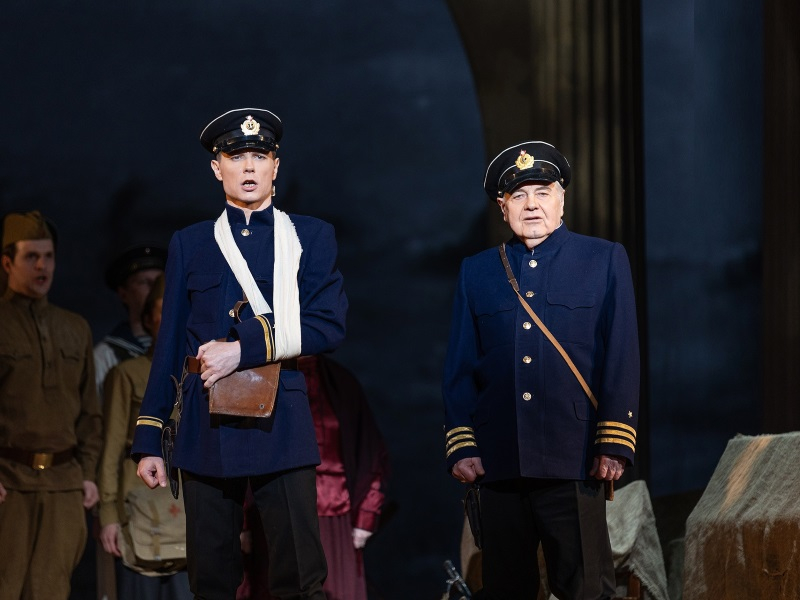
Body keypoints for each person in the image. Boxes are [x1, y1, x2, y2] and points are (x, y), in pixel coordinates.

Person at [132, 108, 348, 600]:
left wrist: (241, 348)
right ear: (217, 168)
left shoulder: (311, 236)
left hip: (281, 419)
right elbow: (170, 344)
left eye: (259, 156)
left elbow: (328, 324)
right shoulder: (190, 243)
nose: (248, 167)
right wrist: (149, 436)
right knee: (210, 580)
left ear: (276, 166)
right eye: (236, 157)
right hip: (205, 422)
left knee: (300, 578)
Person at [442, 141, 640, 600]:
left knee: (586, 589)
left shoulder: (603, 259)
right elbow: (460, 365)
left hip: (575, 457)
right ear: (502, 207)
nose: (532, 205)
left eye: (543, 192)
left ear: (562, 199)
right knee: (505, 590)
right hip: (499, 461)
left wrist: (614, 441)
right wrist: (462, 443)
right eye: (519, 195)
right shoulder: (477, 272)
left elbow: (621, 355)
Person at [0, 210, 103, 599]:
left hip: (64, 485)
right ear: (7, 263)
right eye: (31, 257)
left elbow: (90, 412)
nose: (42, 266)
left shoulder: (75, 328)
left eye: (48, 257)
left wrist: (87, 474)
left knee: (52, 590)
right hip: (8, 484)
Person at [237, 354, 390, 600]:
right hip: (272, 514)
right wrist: (242, 521)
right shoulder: (257, 378)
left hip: (334, 518)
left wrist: (366, 516)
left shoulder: (340, 382)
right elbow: (242, 450)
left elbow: (370, 452)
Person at [98, 274, 192, 600]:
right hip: (139, 507)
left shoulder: (199, 375)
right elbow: (111, 449)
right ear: (149, 319)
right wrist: (109, 514)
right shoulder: (126, 375)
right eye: (163, 312)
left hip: (186, 505)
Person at [94, 244, 167, 398]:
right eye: (144, 282)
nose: (155, 289)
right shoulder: (106, 356)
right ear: (123, 294)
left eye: (159, 281)